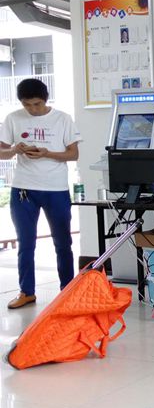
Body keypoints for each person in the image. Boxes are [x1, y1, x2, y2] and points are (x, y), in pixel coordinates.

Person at [0, 78, 81, 309]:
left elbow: (73, 154)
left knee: (62, 242)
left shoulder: (62, 119)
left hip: (56, 189)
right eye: (27, 105)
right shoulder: (13, 118)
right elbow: (1, 152)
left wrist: (47, 153)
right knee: (25, 243)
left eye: (36, 104)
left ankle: (67, 292)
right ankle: (27, 292)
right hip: (23, 189)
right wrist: (14, 149)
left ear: (45, 99)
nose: (32, 109)